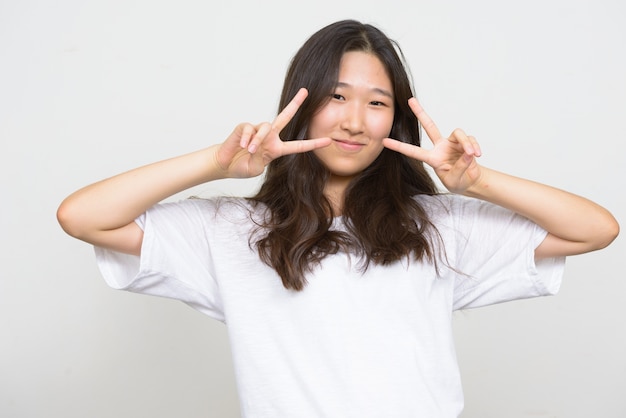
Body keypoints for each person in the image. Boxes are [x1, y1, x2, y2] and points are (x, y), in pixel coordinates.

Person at [57, 19, 618, 418]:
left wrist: (477, 182)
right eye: (336, 96)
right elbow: (83, 217)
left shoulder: (440, 225)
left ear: (395, 122)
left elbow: (595, 229)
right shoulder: (230, 230)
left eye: (377, 103)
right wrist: (216, 163)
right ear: (300, 107)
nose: (354, 121)